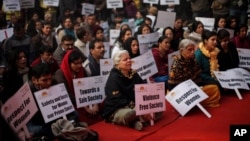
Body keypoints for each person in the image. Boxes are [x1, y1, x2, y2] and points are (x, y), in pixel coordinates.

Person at [102, 50, 162, 131]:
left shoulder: (133, 73)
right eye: (125, 59)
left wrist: (145, 105)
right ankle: (138, 120)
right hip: (119, 108)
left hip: (137, 105)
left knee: (158, 107)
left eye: (129, 58)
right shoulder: (114, 78)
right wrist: (139, 108)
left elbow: (143, 88)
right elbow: (118, 100)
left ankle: (136, 122)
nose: (129, 61)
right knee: (130, 114)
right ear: (117, 64)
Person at [168, 39, 221, 107]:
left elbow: (198, 74)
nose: (193, 52)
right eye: (190, 50)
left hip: (194, 84)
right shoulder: (177, 63)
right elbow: (175, 83)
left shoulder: (193, 59)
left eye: (193, 49)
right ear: (181, 50)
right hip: (180, 88)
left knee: (214, 87)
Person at [53, 50, 100, 125]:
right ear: (69, 63)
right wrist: (85, 107)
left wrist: (95, 103)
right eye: (76, 63)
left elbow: (90, 86)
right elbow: (67, 95)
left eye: (80, 63)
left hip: (85, 98)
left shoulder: (82, 70)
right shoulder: (60, 75)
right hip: (72, 102)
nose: (79, 66)